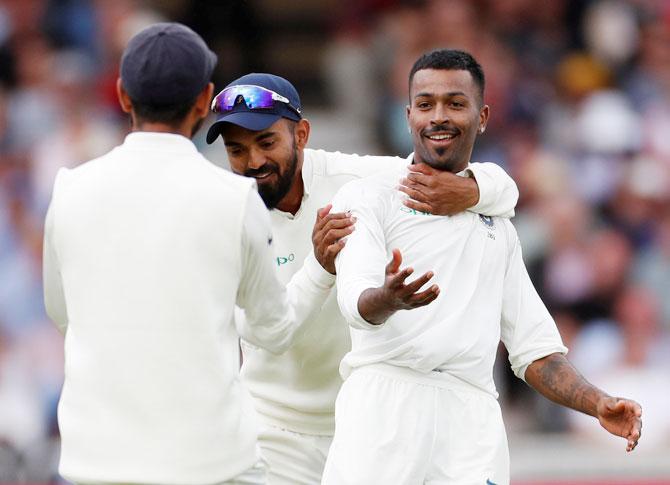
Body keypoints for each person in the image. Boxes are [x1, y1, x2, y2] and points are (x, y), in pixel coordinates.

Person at [323, 49, 643, 485]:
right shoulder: (369, 198)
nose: (438, 116)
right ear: (408, 115)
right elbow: (355, 303)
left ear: (483, 115)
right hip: (384, 409)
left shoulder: (497, 223)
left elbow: (533, 349)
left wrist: (595, 401)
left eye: (455, 103)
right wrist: (389, 297)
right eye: (425, 104)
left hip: (471, 418)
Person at [42, 23, 335, 485]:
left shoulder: (69, 189)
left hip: (92, 466)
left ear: (122, 95)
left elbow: (62, 314)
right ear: (205, 99)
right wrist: (319, 268)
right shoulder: (234, 199)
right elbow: (273, 332)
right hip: (210, 468)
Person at [205, 73, 519, 484]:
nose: (253, 163)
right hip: (272, 430)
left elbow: (488, 183)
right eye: (236, 150)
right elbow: (267, 333)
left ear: (301, 134)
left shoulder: (354, 179)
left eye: (267, 143)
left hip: (363, 430)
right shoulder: (222, 216)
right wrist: (319, 267)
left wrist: (474, 191)